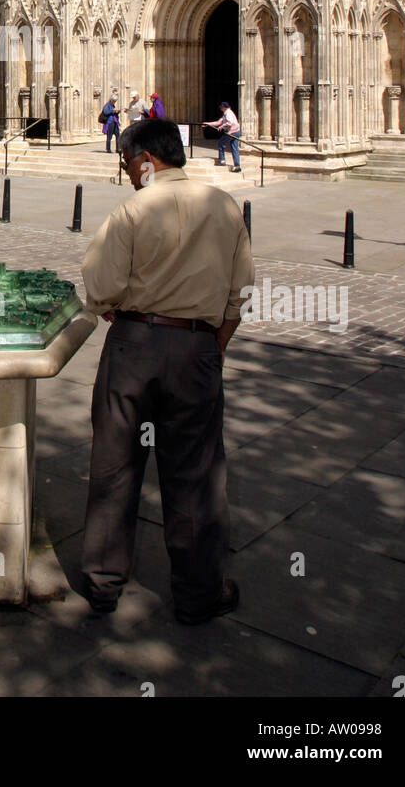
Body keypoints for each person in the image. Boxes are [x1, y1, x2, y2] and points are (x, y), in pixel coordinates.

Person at [79, 116, 254, 624]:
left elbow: (100, 287)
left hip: (134, 345)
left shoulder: (132, 210)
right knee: (195, 473)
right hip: (196, 348)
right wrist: (211, 346)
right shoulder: (223, 207)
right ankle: (199, 592)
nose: (128, 175)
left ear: (146, 162)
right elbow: (239, 294)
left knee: (114, 464)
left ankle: (102, 583)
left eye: (127, 165)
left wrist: (121, 309)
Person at [204, 100, 242, 172]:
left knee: (221, 144)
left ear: (224, 107)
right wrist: (208, 124)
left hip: (232, 132)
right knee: (234, 148)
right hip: (236, 131)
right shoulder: (226, 113)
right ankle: (237, 166)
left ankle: (222, 161)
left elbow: (229, 123)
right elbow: (218, 122)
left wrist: (222, 126)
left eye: (221, 107)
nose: (220, 109)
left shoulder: (228, 113)